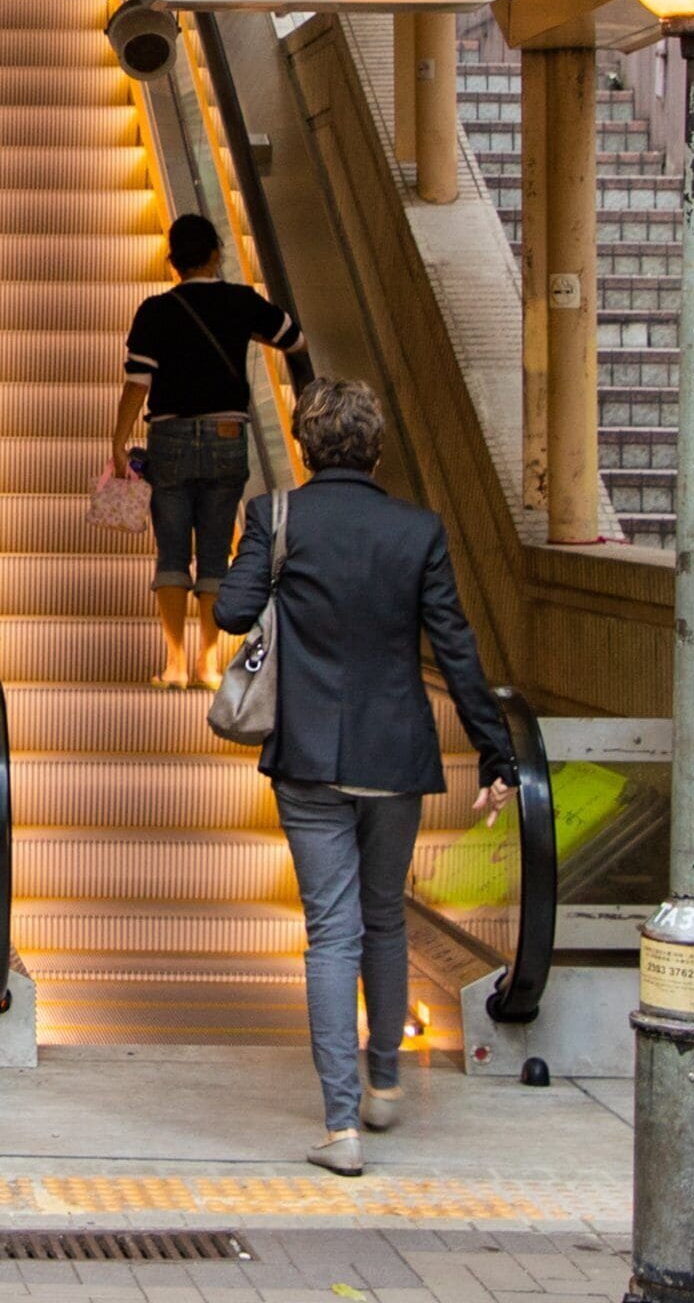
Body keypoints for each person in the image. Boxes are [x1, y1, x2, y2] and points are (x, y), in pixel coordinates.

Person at [213, 377, 517, 1176]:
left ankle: (340, 1125)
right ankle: (385, 1077)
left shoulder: (276, 517)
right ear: (375, 447)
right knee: (385, 916)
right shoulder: (418, 530)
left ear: (306, 447)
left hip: (309, 756)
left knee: (331, 929)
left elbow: (231, 614)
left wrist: (271, 572)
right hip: (396, 756)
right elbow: (455, 648)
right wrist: (496, 753)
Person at [106, 213, 305, 688]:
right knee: (215, 554)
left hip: (169, 440)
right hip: (226, 438)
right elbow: (293, 338)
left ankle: (174, 664)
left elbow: (138, 382)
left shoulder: (155, 310)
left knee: (172, 554)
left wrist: (118, 439)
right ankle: (209, 664)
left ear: (173, 261)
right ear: (217, 253)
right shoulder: (240, 302)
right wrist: (247, 331)